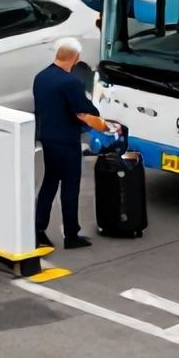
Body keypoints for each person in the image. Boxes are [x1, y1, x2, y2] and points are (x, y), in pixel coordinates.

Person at [33, 39, 110, 250]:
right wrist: (102, 121)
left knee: (49, 183)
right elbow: (84, 111)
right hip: (67, 141)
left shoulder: (41, 77)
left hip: (48, 138)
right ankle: (71, 234)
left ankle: (38, 229)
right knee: (70, 187)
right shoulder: (70, 83)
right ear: (75, 58)